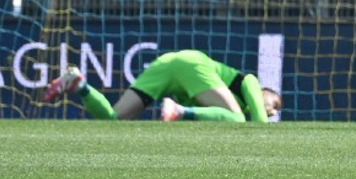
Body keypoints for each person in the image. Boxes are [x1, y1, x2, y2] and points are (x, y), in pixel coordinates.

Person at [42, 49, 281, 123]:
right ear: (265, 92)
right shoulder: (249, 83)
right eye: (274, 104)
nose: (273, 111)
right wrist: (264, 132)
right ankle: (178, 111)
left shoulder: (218, 106)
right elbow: (258, 119)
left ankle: (79, 84)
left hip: (165, 64)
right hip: (192, 64)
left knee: (114, 119)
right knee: (237, 119)